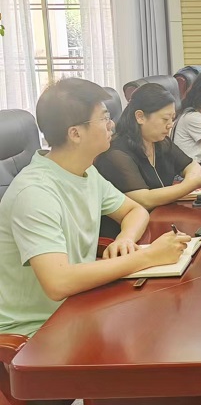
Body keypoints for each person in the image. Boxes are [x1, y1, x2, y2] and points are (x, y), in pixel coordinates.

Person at [0, 78, 190, 338]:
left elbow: (134, 211)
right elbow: (58, 282)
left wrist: (125, 239)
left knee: (165, 323)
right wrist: (147, 257)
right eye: (104, 118)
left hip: (78, 305)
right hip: (35, 333)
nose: (112, 124)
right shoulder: (35, 192)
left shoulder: (85, 172)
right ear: (75, 133)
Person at [95, 84, 201, 210]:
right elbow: (145, 200)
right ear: (140, 117)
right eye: (165, 119)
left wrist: (189, 182)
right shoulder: (116, 154)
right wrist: (192, 184)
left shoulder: (160, 142)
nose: (170, 125)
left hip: (163, 214)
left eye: (172, 118)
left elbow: (192, 165)